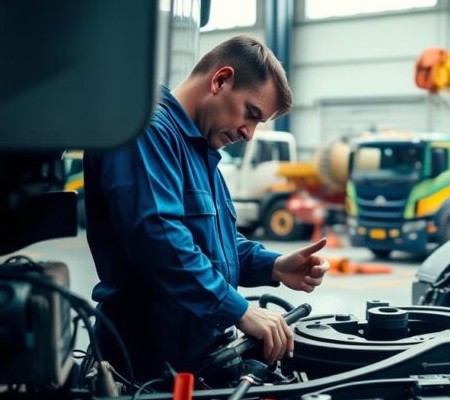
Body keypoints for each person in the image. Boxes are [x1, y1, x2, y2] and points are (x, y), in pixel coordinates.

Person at [83, 35, 328, 380]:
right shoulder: (146, 129)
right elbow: (158, 238)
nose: (249, 133)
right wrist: (239, 310)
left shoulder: (201, 152)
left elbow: (218, 246)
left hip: (195, 364)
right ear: (220, 80)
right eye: (251, 114)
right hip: (144, 370)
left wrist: (274, 266)